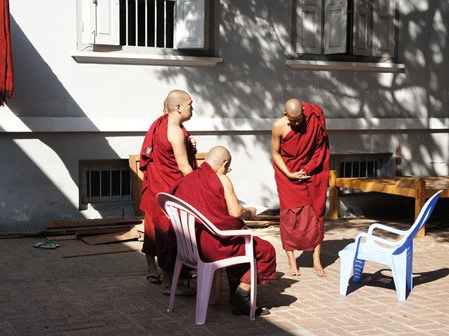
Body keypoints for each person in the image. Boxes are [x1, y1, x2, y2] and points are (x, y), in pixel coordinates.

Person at [171, 146, 277, 316]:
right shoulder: (221, 178)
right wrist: (251, 211)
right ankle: (241, 294)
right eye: (228, 168)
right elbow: (236, 213)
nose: (227, 171)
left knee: (242, 246)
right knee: (266, 250)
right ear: (225, 163)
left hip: (190, 245)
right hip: (215, 246)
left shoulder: (187, 180)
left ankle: (240, 297)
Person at [139, 89, 197, 295]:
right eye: (190, 104)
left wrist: (191, 147)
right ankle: (168, 283)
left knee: (154, 230)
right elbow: (183, 167)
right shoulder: (175, 131)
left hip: (156, 186)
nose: (193, 108)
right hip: (168, 191)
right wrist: (201, 188)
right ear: (179, 107)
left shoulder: (161, 123)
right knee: (168, 233)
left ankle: (157, 269)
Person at [271, 98, 330, 277]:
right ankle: (292, 262)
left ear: (304, 113)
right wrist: (289, 173)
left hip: (310, 171)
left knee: (315, 213)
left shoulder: (313, 118)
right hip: (287, 175)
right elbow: (275, 153)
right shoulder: (279, 126)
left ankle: (316, 261)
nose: (297, 123)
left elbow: (321, 147)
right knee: (289, 218)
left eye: (299, 119)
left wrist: (309, 168)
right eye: (293, 120)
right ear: (285, 115)